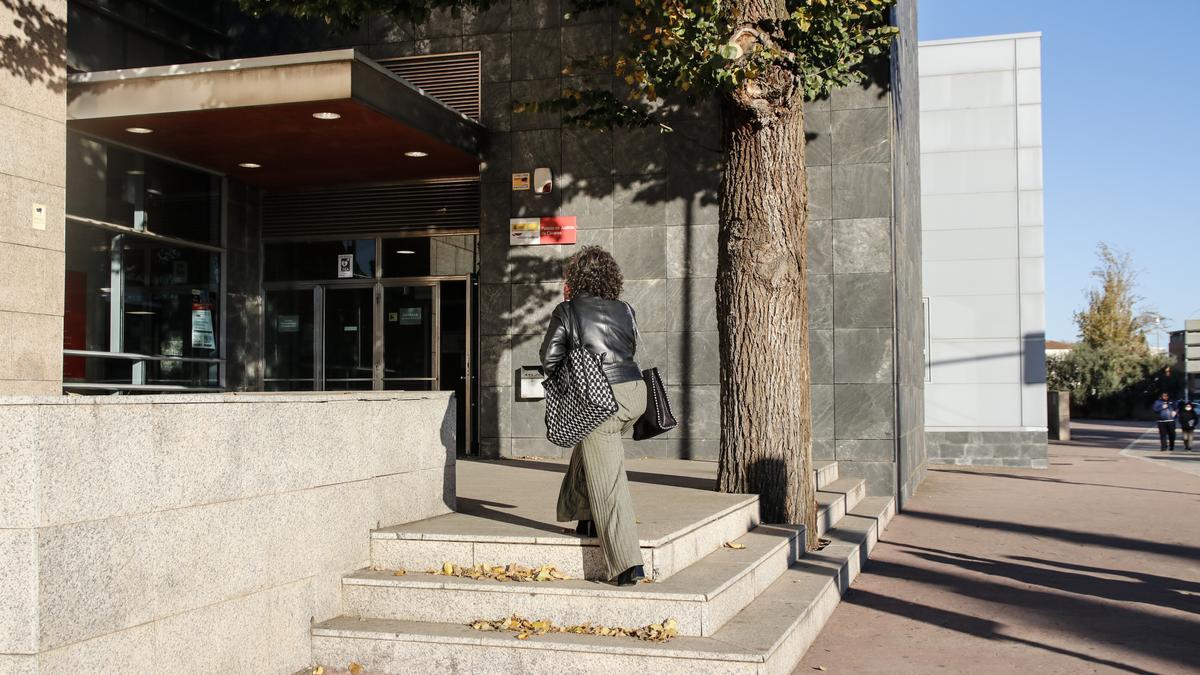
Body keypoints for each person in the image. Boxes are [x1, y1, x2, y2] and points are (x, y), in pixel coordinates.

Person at [540, 246, 647, 586]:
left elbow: (549, 357)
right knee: (590, 450)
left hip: (600, 400)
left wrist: (573, 377)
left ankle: (628, 563)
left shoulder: (567, 310)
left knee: (610, 482)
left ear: (575, 278)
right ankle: (584, 518)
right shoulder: (626, 309)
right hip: (635, 394)